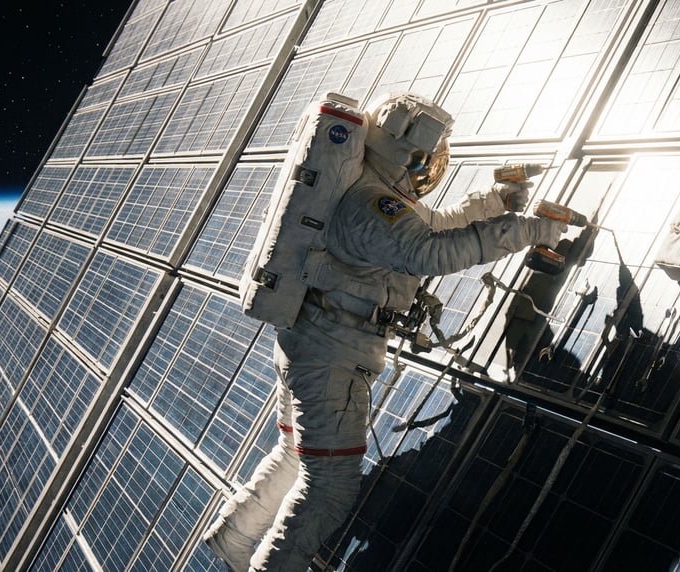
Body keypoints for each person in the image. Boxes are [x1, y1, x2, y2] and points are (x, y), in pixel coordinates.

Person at [204, 92, 566, 571]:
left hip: (311, 344)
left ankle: (234, 538)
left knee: (296, 453)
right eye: (430, 158)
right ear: (406, 152)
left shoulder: (374, 194)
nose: (434, 167)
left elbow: (435, 224)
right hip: (330, 357)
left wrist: (495, 202)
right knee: (330, 486)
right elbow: (429, 252)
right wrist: (528, 231)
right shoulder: (368, 204)